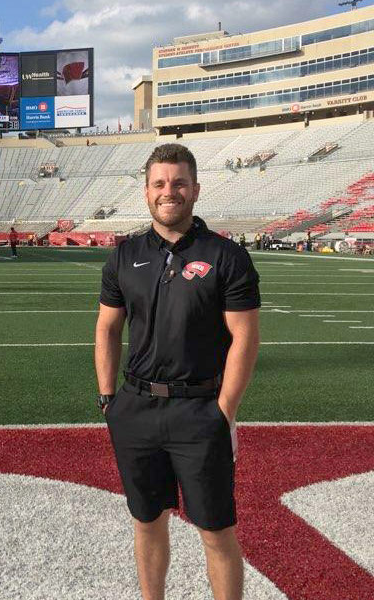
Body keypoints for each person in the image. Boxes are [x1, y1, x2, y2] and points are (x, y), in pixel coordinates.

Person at [95, 143, 260, 600]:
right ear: (147, 193)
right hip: (136, 407)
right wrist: (109, 399)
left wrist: (224, 409)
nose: (170, 192)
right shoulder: (124, 255)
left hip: (200, 410)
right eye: (160, 184)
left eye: (179, 183)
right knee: (147, 522)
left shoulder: (226, 255)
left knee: (216, 530)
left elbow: (245, 337)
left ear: (196, 190)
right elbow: (107, 328)